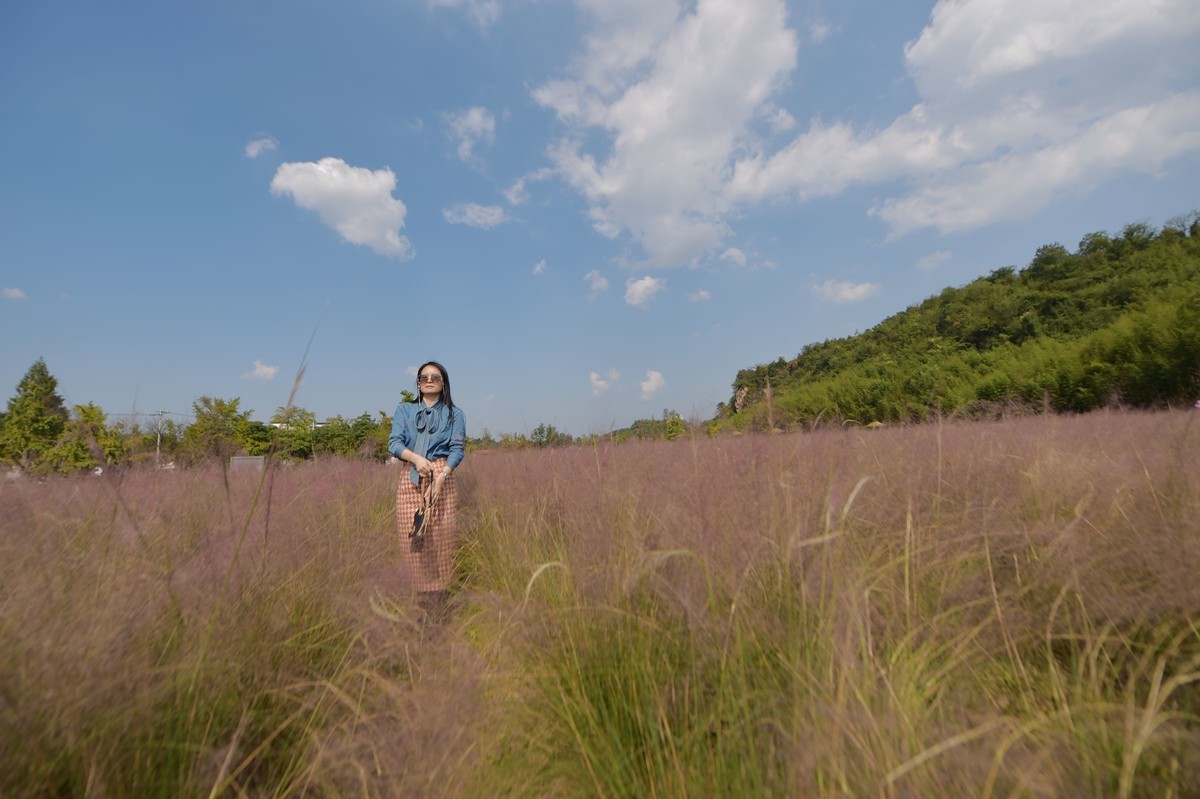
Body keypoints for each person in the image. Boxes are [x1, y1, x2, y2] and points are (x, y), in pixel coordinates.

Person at [388, 361, 467, 622]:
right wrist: (415, 459)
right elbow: (394, 443)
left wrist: (441, 477)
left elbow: (457, 449)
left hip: (442, 477)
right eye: (424, 377)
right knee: (413, 537)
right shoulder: (405, 410)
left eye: (435, 377)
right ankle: (420, 599)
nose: (429, 380)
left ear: (443, 383)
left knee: (441, 536)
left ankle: (441, 601)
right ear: (418, 383)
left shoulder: (455, 414)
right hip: (411, 476)